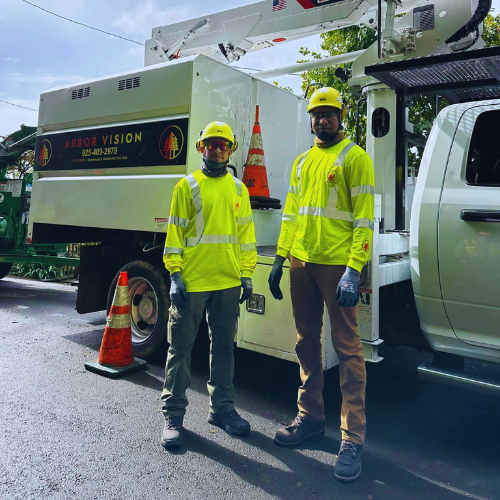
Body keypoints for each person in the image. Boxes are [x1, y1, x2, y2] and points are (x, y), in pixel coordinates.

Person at [268, 87, 375, 483]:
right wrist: (280, 258)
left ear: (341, 116)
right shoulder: (302, 162)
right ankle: (310, 417)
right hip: (302, 261)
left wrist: (354, 268)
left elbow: (365, 219)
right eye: (317, 114)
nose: (323, 119)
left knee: (348, 349)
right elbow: (291, 215)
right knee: (304, 341)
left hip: (337, 266)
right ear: (310, 119)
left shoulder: (355, 157)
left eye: (329, 113)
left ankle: (353, 437)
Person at [161, 121, 257, 448]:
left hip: (228, 282)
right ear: (201, 147)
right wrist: (175, 275)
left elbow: (246, 237)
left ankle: (222, 409)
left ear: (231, 150)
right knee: (181, 350)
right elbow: (174, 236)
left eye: (223, 145)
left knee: (225, 348)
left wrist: (246, 274)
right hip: (193, 281)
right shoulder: (186, 186)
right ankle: (173, 415)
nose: (217, 149)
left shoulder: (239, 190)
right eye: (211, 144)